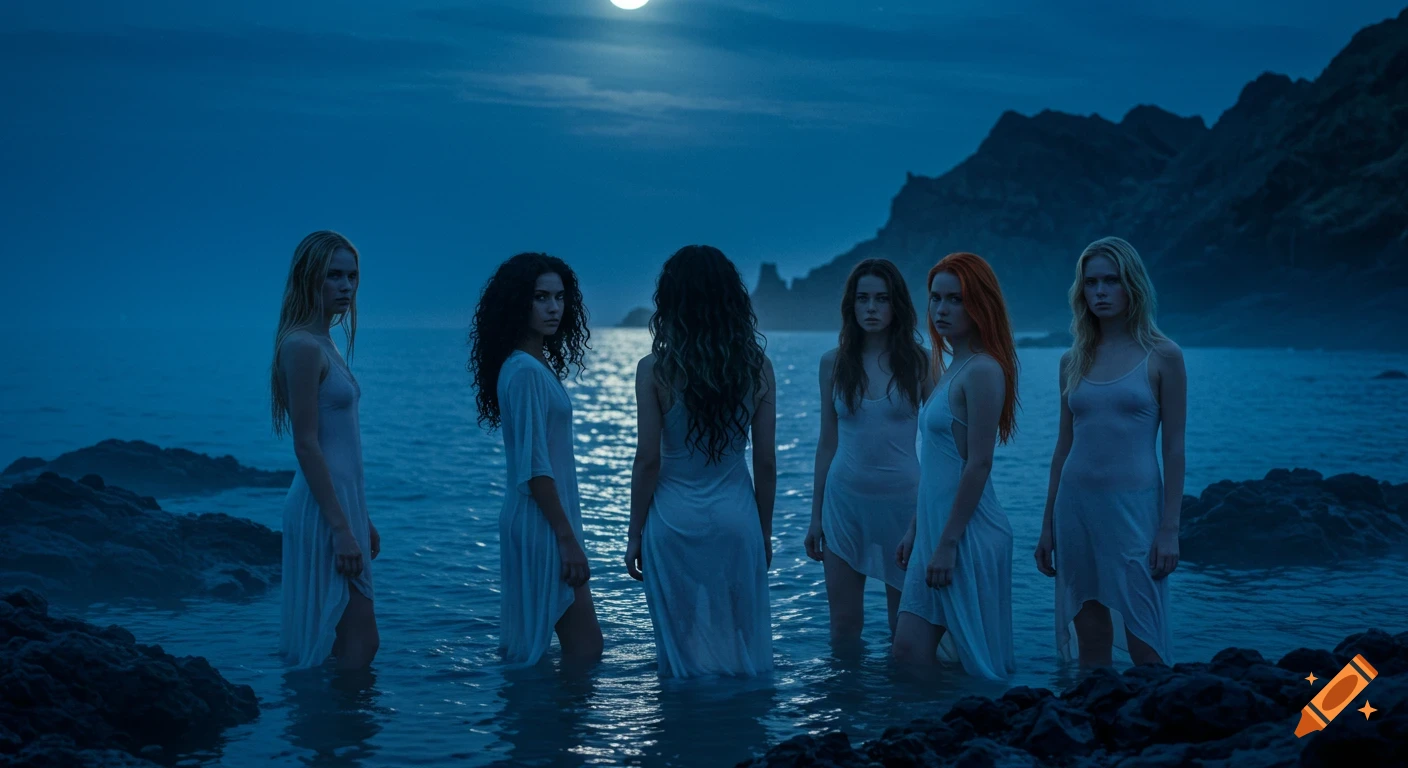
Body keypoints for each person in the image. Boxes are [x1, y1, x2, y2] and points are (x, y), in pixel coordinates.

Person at [624, 245, 776, 678]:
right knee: (742, 644)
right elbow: (765, 462)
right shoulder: (758, 367)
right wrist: (763, 531)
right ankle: (746, 737)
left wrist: (634, 534)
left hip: (672, 522)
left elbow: (648, 460)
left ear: (670, 301)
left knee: (681, 650)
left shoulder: (653, 370)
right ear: (732, 299)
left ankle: (684, 739)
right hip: (736, 520)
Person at [1034, 236, 1186, 668]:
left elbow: (1174, 448)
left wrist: (1169, 529)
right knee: (1090, 639)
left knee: (1146, 637)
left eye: (1111, 281)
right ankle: (1094, 727)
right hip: (1076, 508)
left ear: (1132, 285)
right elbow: (1063, 447)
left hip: (1134, 509)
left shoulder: (1164, 355)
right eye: (1091, 282)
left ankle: (1157, 729)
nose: (1100, 291)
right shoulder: (1073, 360)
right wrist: (1047, 527)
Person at [469, 252, 604, 667]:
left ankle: (542, 727)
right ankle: (557, 730)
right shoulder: (525, 371)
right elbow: (535, 466)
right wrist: (567, 541)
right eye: (541, 297)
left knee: (543, 651)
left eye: (559, 297)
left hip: (540, 519)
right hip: (543, 524)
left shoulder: (530, 363)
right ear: (517, 303)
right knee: (584, 649)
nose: (553, 308)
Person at [892, 252, 1017, 682]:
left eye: (955, 300)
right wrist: (915, 528)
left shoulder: (982, 370)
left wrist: (946, 542)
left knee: (975, 665)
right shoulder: (949, 368)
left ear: (979, 304)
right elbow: (938, 464)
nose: (941, 309)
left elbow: (979, 464)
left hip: (966, 535)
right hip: (936, 531)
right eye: (935, 298)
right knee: (910, 652)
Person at [805, 258, 932, 649]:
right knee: (844, 628)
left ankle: (902, 711)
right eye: (863, 299)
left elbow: (942, 439)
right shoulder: (833, 363)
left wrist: (933, 513)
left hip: (903, 505)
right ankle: (845, 708)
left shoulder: (920, 362)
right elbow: (828, 441)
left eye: (881, 299)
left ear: (897, 305)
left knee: (904, 628)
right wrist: (815, 516)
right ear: (851, 305)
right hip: (844, 504)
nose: (872, 308)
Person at [273, 230, 380, 670]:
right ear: (308, 278)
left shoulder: (325, 343)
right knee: (358, 639)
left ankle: (331, 734)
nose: (346, 287)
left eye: (352, 277)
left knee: (344, 640)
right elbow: (306, 443)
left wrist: (362, 518)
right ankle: (343, 735)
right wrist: (340, 528)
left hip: (340, 504)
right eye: (333, 276)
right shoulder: (300, 345)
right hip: (321, 510)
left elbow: (343, 443)